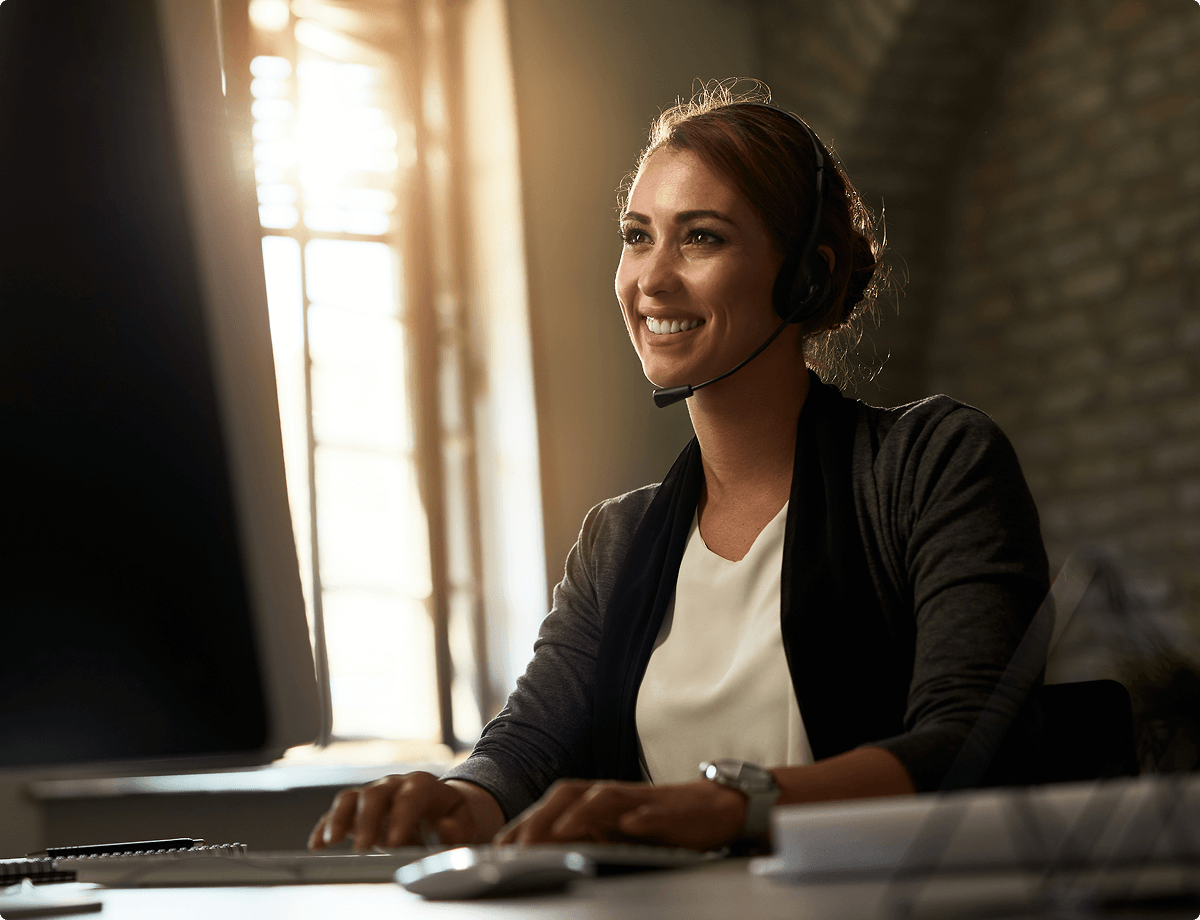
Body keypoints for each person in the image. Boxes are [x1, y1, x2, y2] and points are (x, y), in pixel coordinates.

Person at [308, 83, 1049, 854]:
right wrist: (452, 800)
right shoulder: (617, 539)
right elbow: (526, 750)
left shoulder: (933, 463)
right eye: (637, 235)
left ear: (805, 275)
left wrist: (737, 806)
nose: (651, 280)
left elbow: (975, 739)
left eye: (700, 238)